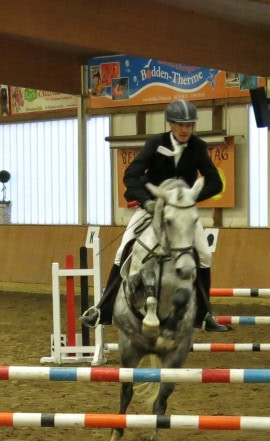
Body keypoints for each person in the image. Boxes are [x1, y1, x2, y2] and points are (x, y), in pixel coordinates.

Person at [81, 98, 229, 332]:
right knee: (124, 248)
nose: (185, 130)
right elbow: (131, 175)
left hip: (181, 212)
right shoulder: (155, 144)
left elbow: (216, 183)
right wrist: (147, 201)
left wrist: (188, 201)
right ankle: (103, 308)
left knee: (203, 254)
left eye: (189, 125)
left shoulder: (198, 147)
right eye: (180, 125)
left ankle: (204, 314)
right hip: (151, 206)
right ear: (170, 124)